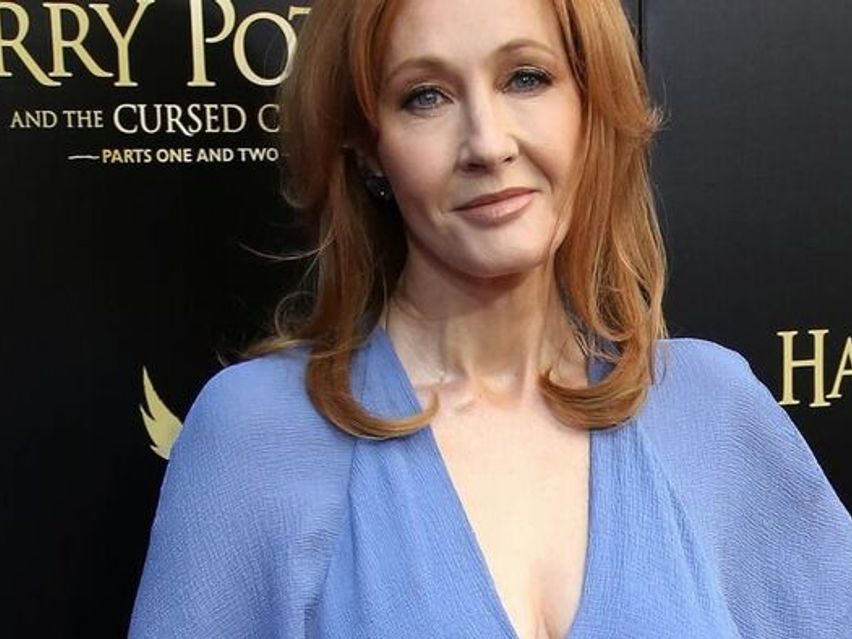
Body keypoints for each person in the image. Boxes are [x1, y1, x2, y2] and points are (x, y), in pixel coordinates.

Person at [129, 0, 852, 637]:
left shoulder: (711, 409)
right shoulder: (258, 435)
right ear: (367, 146)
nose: (488, 143)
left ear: (587, 101)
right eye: (426, 96)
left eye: (525, 78)